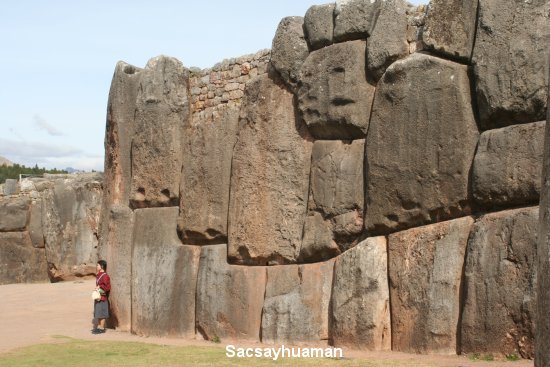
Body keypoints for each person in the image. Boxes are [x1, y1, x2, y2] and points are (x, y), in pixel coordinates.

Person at [92, 260, 111, 334]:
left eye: (98, 265)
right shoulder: (98, 275)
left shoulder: (105, 276)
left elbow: (107, 287)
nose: (96, 267)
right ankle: (99, 327)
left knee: (102, 314)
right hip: (98, 297)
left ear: (102, 266)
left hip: (102, 298)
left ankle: (102, 328)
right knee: (98, 313)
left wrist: (99, 287)